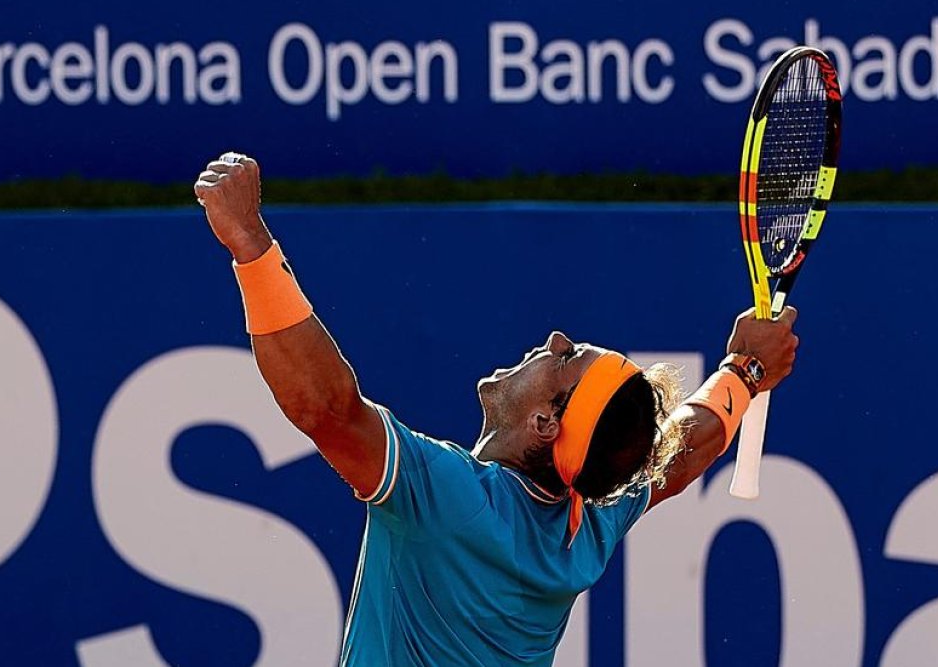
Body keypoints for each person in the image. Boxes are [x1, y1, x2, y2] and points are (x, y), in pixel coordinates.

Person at [194, 152, 799, 666]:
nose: (557, 340)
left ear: (544, 423)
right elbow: (685, 446)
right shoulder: (586, 523)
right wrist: (743, 372)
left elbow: (327, 410)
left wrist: (251, 247)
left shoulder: (453, 497)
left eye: (567, 361)